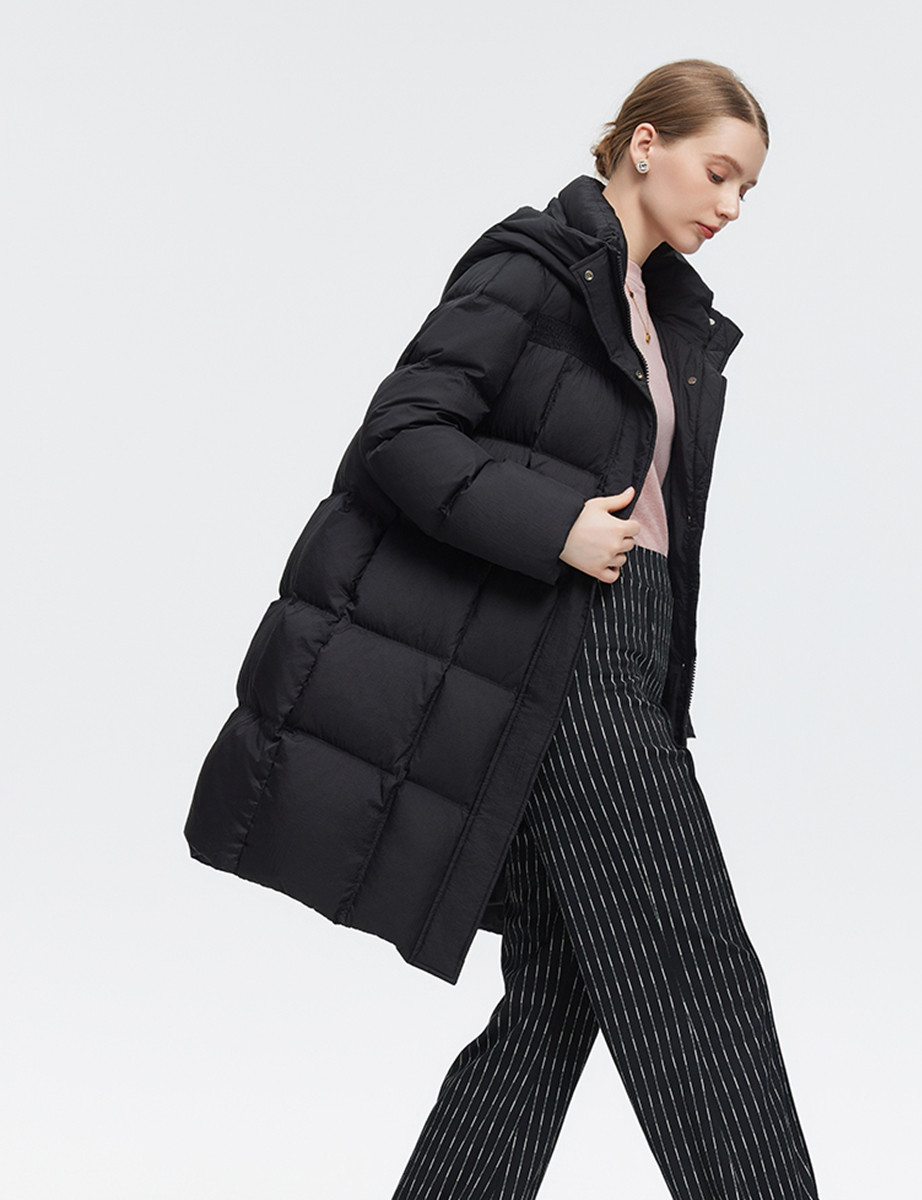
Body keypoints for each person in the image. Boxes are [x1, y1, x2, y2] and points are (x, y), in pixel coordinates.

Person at [185, 58, 819, 1199]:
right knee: (697, 969)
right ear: (644, 145)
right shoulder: (536, 267)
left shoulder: (664, 312)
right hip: (567, 649)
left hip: (624, 648)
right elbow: (402, 433)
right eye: (720, 172)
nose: (731, 206)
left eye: (749, 190)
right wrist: (554, 526)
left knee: (557, 1002)